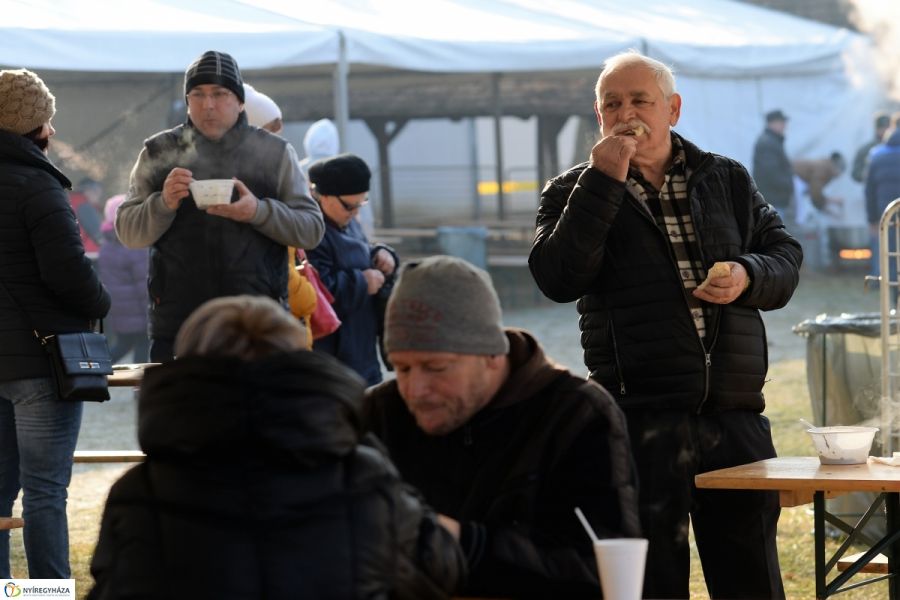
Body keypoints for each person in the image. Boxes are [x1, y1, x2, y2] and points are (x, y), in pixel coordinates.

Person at [529, 51, 802, 599]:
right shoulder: (570, 191)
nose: (626, 113)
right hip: (639, 418)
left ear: (672, 109)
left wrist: (748, 275)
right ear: (599, 116)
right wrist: (604, 180)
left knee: (751, 577)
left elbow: (785, 255)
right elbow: (558, 277)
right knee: (651, 582)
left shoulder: (723, 177)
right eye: (612, 104)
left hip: (735, 414)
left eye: (640, 100)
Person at [88, 295, 465, 599]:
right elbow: (441, 566)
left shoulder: (140, 492)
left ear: (190, 368)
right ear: (298, 364)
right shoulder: (362, 476)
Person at [363, 255, 640, 599]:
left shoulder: (575, 414)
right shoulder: (377, 413)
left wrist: (466, 544)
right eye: (402, 369)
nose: (415, 390)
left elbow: (602, 569)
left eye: (436, 367)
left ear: (492, 355)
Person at [115, 50, 324, 362]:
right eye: (197, 94)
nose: (208, 104)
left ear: (240, 101)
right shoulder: (159, 151)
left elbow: (312, 230)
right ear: (187, 101)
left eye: (220, 93)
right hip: (179, 327)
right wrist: (163, 203)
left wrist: (258, 211)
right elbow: (128, 232)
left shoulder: (274, 152)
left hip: (258, 325)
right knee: (184, 412)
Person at [0, 68, 111, 578]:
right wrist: (102, 302)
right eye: (48, 119)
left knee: (0, 492)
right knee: (45, 490)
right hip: (40, 364)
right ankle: (47, 596)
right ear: (34, 125)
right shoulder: (38, 185)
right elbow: (67, 273)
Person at [307, 153, 397, 385]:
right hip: (335, 353)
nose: (355, 212)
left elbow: (361, 253)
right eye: (349, 206)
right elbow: (318, 292)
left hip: (362, 346)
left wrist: (381, 254)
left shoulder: (347, 222)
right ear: (324, 196)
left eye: (361, 204)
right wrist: (362, 282)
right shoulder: (311, 233)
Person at [300, 118, 375, 238]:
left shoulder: (296, 169)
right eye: (349, 206)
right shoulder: (347, 171)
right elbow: (365, 218)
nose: (355, 211)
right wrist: (368, 244)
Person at [97, 194, 150, 363]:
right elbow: (144, 284)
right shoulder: (134, 245)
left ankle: (95, 371)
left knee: (123, 344)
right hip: (138, 311)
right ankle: (139, 387)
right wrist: (151, 313)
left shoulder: (106, 246)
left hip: (120, 310)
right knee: (142, 345)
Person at [865, 112, 900, 278]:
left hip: (887, 212)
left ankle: (893, 298)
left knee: (891, 254)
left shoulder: (877, 155)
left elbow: (869, 190)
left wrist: (872, 218)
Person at [752, 108, 794, 218]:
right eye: (782, 122)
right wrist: (788, 185)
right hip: (773, 198)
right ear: (773, 123)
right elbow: (770, 173)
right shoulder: (768, 143)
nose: (785, 125)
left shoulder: (772, 141)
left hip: (774, 197)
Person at [68, 177, 104, 260]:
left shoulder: (69, 203)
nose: (99, 197)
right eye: (97, 193)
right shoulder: (85, 207)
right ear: (89, 191)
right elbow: (99, 236)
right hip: (90, 255)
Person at [852, 112, 890, 183]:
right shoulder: (866, 149)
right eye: (882, 127)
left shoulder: (896, 147)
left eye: (887, 128)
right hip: (874, 190)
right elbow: (855, 173)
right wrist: (868, 175)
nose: (885, 131)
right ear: (876, 129)